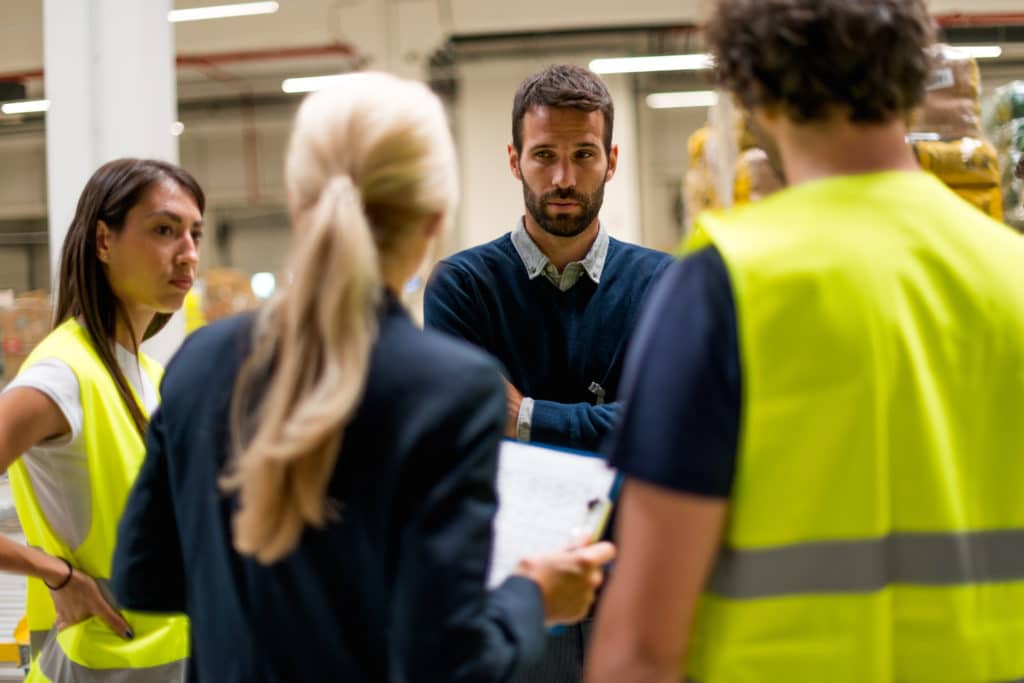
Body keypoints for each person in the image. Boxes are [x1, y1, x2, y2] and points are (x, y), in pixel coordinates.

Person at [110, 72, 615, 683]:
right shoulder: (451, 391)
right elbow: (452, 659)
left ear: (298, 207)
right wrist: (534, 597)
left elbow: (144, 578)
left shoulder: (199, 363)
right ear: (433, 221)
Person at [586, 1, 1024, 682]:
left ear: (750, 85)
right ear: (912, 71)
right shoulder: (1012, 275)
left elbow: (639, 651)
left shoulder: (723, 287)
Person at [0, 158, 203, 681]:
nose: (188, 253)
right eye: (164, 230)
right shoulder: (61, 376)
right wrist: (57, 574)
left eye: (194, 233)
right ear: (104, 241)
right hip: (97, 667)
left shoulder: (152, 376)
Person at [424, 64, 672, 453]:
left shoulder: (662, 283)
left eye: (584, 154)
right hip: (502, 513)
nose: (564, 179)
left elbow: (667, 423)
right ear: (514, 160)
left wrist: (524, 416)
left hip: (621, 514)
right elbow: (461, 427)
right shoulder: (461, 287)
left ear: (611, 161)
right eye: (544, 155)